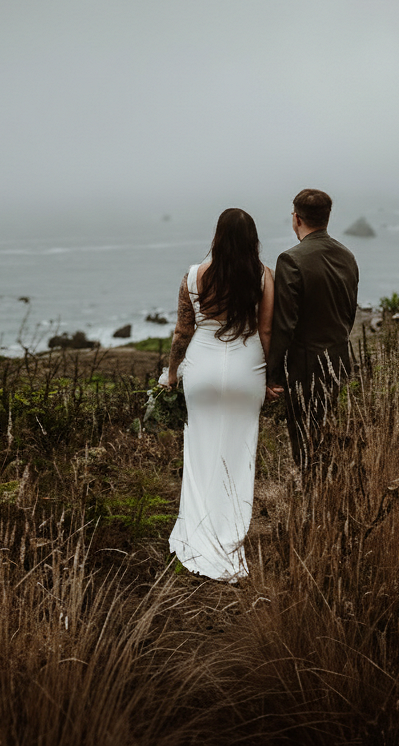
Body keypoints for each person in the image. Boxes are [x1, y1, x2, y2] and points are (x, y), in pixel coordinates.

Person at [162, 208, 274, 583]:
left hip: (202, 370)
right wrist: (271, 378)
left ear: (217, 237)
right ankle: (229, 536)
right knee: (239, 454)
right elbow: (267, 332)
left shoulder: (193, 276)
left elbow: (182, 332)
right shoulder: (263, 276)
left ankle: (197, 529)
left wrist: (172, 374)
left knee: (200, 451)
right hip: (247, 369)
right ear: (251, 239)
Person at [266, 188, 359, 475]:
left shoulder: (291, 259)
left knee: (305, 442)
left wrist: (272, 375)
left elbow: (284, 324)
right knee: (326, 433)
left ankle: (313, 502)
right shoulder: (347, 255)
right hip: (340, 361)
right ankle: (327, 493)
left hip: (305, 366)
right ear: (327, 218)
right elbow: (349, 312)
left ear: (296, 219)